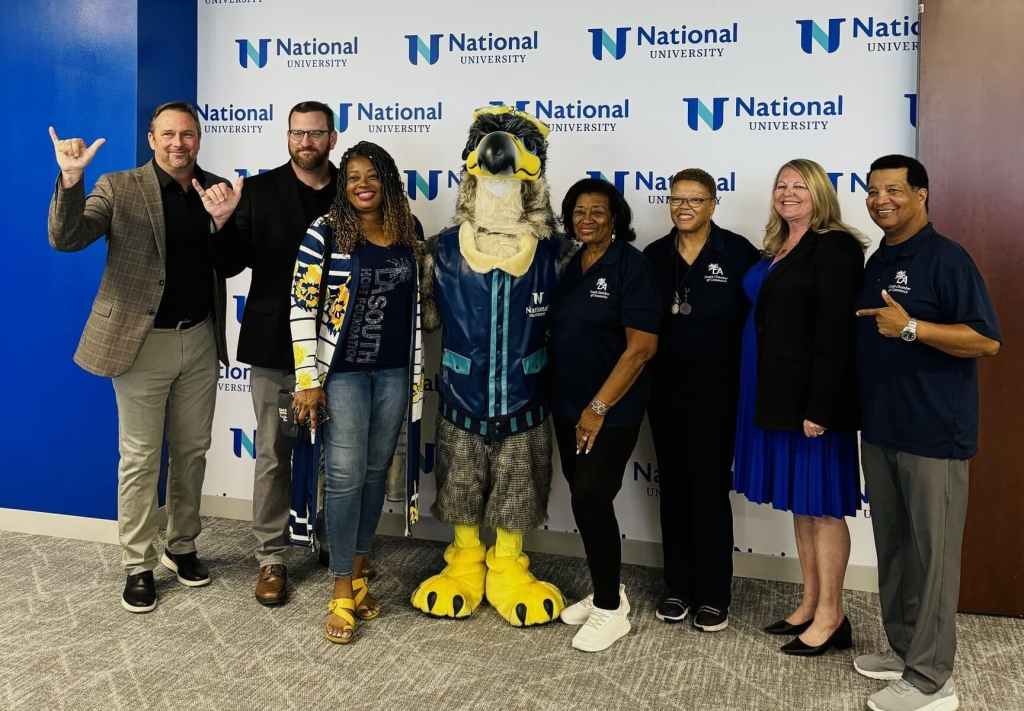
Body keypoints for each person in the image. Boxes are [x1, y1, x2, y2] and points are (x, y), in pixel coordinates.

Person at [47, 102, 244, 613]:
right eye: (169, 134)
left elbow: (231, 264)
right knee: (139, 458)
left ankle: (181, 546)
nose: (179, 143)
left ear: (199, 139)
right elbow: (67, 238)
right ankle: (138, 563)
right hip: (141, 343)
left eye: (189, 134)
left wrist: (224, 223)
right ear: (152, 138)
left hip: (200, 339)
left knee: (193, 451)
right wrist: (70, 182)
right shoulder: (118, 187)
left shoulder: (216, 188)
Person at [853, 155, 1000, 711]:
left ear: (922, 195)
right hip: (883, 428)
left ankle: (933, 680)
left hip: (934, 434)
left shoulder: (948, 259)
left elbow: (986, 341)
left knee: (933, 559)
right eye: (872, 190)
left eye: (893, 189)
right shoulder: (878, 259)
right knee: (894, 549)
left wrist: (912, 328)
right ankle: (905, 650)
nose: (880, 199)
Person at [195, 101, 338, 606]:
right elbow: (229, 265)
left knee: (336, 457)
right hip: (276, 346)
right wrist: (221, 223)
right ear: (287, 137)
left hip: (341, 352)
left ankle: (332, 540)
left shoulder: (355, 190)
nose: (306, 142)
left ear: (332, 138)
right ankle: (271, 556)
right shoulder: (255, 190)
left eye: (316, 133)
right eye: (298, 133)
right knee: (275, 453)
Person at [289, 141, 424, 644]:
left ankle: (361, 573)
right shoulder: (323, 234)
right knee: (344, 476)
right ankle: (340, 586)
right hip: (341, 374)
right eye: (352, 177)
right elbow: (301, 307)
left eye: (372, 176)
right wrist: (307, 380)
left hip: (393, 373)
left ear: (388, 181)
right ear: (342, 186)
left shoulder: (410, 233)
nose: (362, 185)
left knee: (373, 475)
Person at [732, 158, 865, 655]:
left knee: (824, 507)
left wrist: (821, 406)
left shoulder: (834, 247)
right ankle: (811, 603)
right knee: (804, 506)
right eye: (781, 185)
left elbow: (835, 332)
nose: (788, 193)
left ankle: (833, 615)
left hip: (813, 402)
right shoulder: (778, 247)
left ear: (819, 193)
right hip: (773, 395)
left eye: (799, 186)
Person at [643, 169, 759, 632]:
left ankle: (713, 594)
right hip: (664, 392)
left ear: (713, 204)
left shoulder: (739, 253)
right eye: (676, 199)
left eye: (695, 199)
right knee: (671, 489)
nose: (684, 207)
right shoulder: (653, 256)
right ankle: (677, 588)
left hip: (720, 393)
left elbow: (758, 326)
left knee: (709, 491)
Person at [550, 178, 659, 652]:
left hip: (608, 410)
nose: (586, 220)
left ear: (615, 217)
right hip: (567, 405)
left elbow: (641, 349)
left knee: (593, 494)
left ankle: (613, 611)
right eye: (578, 211)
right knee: (583, 496)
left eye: (597, 212)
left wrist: (597, 408)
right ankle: (603, 593)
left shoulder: (632, 267)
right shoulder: (572, 263)